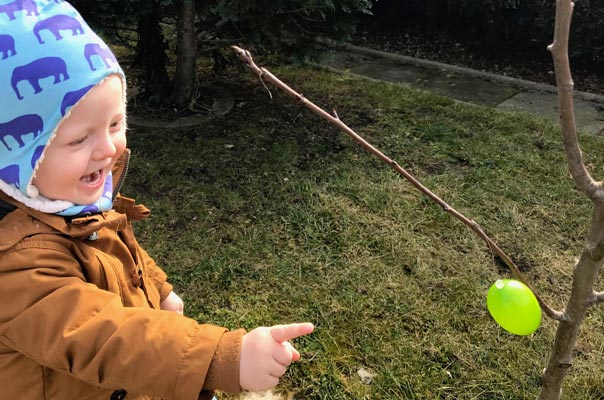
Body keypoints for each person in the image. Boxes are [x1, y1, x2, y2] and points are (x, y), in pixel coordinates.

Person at [0, 2, 314, 399]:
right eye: (79, 138)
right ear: (16, 156)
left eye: (115, 124)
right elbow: (107, 337)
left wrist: (157, 288)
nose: (107, 148)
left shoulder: (68, 195)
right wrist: (218, 357)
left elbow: (119, 249)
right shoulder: (13, 267)